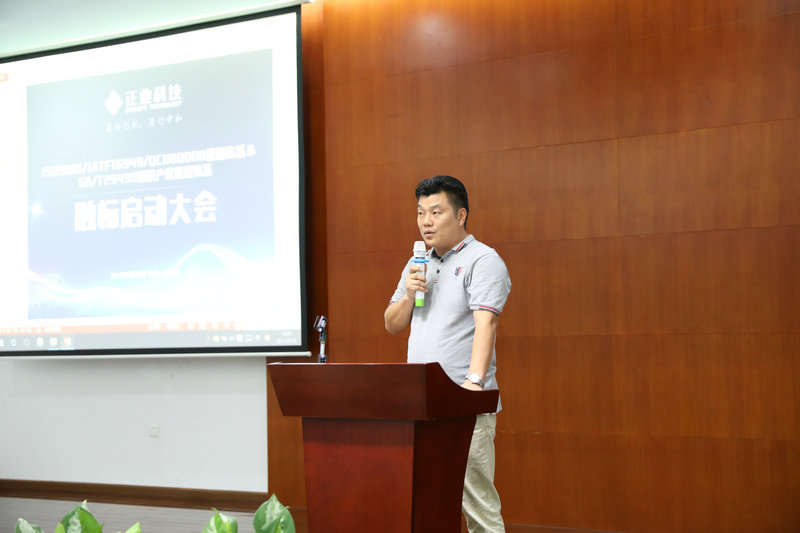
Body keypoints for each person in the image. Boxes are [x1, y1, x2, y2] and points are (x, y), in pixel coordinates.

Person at [384, 175, 511, 533]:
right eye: (420, 213)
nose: (426, 221)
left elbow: (486, 324)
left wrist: (474, 383)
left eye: (436, 212)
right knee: (427, 501)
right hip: (421, 404)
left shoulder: (482, 260)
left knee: (476, 505)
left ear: (461, 215)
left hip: (463, 403)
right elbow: (392, 324)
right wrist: (410, 294)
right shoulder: (416, 263)